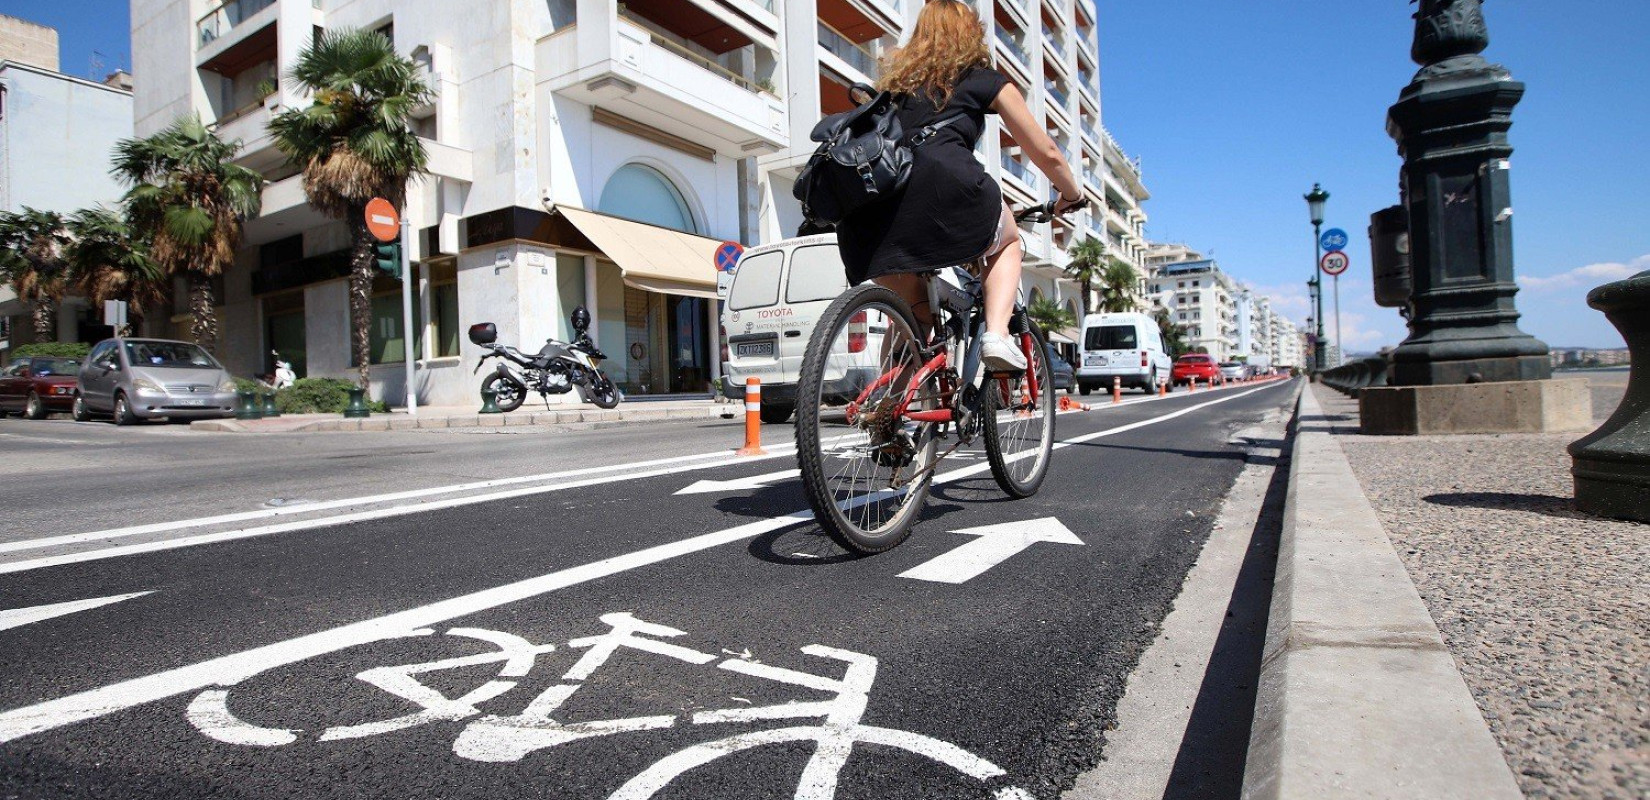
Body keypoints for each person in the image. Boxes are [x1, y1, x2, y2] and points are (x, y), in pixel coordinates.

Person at [834, 0, 1085, 372]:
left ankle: (887, 409)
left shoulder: (892, 91)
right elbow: (1046, 151)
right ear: (972, 36)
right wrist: (1071, 194)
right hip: (945, 189)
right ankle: (997, 335)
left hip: (871, 218)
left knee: (913, 326)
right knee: (1008, 241)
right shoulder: (980, 78)